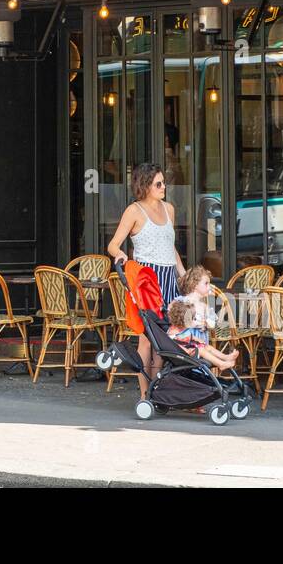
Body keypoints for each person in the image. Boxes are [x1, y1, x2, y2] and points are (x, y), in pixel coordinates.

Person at [106, 163, 185, 397]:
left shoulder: (169, 209)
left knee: (163, 339)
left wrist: (183, 274)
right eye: (158, 184)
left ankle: (155, 388)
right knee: (146, 340)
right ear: (145, 186)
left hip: (168, 277)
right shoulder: (134, 211)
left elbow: (170, 247)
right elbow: (113, 244)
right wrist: (119, 254)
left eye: (164, 182)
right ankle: (143, 393)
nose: (163, 187)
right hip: (146, 280)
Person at [167, 298, 239, 372]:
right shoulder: (172, 334)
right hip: (184, 356)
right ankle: (221, 364)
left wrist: (197, 340)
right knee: (201, 350)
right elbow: (175, 346)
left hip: (190, 350)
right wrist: (188, 351)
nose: (194, 321)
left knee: (207, 347)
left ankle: (225, 357)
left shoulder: (181, 329)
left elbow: (188, 337)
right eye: (193, 319)